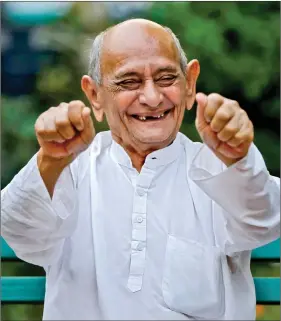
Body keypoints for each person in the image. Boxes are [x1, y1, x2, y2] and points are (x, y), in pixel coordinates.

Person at [1, 18, 280, 320]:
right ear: (94, 95)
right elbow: (19, 232)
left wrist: (238, 157)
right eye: (128, 82)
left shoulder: (221, 170)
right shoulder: (69, 168)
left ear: (190, 84)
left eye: (165, 78)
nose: (151, 97)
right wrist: (50, 160)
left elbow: (264, 220)